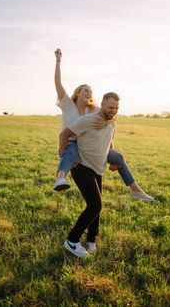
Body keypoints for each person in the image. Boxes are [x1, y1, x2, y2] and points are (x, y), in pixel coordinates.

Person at [53, 48, 154, 202]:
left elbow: (111, 114)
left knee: (118, 157)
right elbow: (58, 84)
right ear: (78, 92)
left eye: (91, 92)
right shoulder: (67, 104)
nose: (89, 93)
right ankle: (60, 178)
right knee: (70, 154)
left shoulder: (93, 109)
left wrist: (107, 121)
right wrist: (58, 61)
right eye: (86, 90)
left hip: (89, 144)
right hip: (71, 142)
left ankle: (136, 190)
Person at [62, 92, 121, 257]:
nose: (114, 110)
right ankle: (72, 241)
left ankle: (91, 240)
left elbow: (109, 141)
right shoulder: (87, 120)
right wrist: (64, 156)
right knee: (95, 205)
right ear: (102, 104)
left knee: (97, 206)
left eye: (116, 108)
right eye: (110, 107)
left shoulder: (112, 123)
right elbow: (64, 134)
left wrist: (113, 159)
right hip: (81, 166)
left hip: (97, 167)